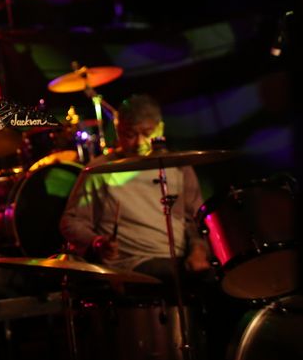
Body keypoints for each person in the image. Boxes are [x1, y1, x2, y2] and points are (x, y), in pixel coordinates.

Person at [60, 94, 209, 280]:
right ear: (118, 130)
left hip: (179, 259)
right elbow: (71, 222)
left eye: (147, 133)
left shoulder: (180, 167)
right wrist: (97, 242)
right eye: (130, 135)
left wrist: (198, 252)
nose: (139, 143)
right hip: (131, 263)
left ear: (160, 128)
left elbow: (196, 221)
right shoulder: (100, 170)